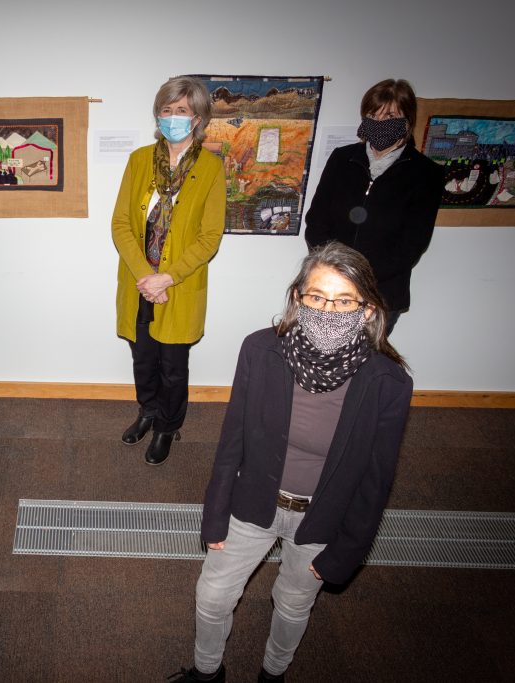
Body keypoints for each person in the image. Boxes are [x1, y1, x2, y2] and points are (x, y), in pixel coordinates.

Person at [171, 242, 413, 683]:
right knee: (211, 597)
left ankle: (273, 673)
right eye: (317, 297)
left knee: (293, 603)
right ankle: (207, 673)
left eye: (343, 301)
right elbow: (233, 440)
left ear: (367, 310)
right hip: (254, 500)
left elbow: (376, 482)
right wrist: (215, 514)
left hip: (324, 519)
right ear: (298, 298)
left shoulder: (388, 384)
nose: (328, 310)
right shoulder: (260, 351)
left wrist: (346, 553)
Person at [111, 76, 226, 465]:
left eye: (181, 111)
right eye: (166, 109)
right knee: (142, 357)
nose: (172, 117)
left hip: (179, 286)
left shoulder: (211, 169)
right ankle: (147, 411)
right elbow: (121, 225)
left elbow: (209, 237)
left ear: (197, 118)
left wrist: (166, 277)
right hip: (138, 283)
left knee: (173, 367)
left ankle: (167, 427)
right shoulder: (140, 160)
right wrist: (147, 277)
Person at [305, 78, 444, 334]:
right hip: (329, 289)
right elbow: (316, 222)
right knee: (319, 361)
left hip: (380, 296)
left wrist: (358, 280)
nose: (379, 123)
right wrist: (335, 273)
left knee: (365, 366)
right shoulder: (341, 159)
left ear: (407, 120)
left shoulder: (427, 174)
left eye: (389, 115)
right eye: (373, 115)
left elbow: (412, 244)